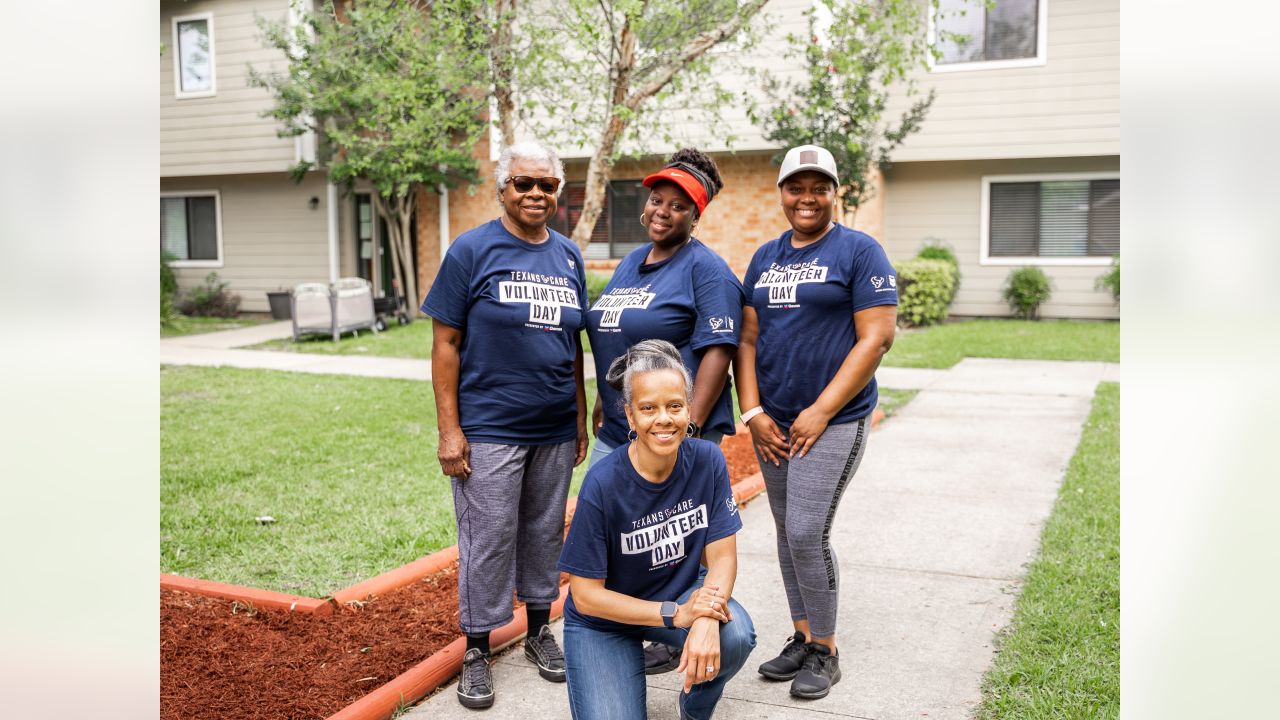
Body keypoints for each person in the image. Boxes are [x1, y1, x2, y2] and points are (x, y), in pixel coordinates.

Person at [421, 141, 590, 710]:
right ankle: (477, 647)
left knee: (545, 531)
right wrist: (450, 430)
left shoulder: (568, 256)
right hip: (489, 426)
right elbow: (445, 343)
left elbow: (573, 348)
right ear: (503, 188)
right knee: (488, 539)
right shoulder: (471, 250)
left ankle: (539, 630)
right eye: (524, 183)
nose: (536, 193)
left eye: (547, 185)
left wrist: (579, 413)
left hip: (553, 427)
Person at [735, 145, 898, 700]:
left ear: (835, 193)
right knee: (786, 533)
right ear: (781, 192)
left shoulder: (859, 251)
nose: (807, 198)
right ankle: (802, 636)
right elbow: (748, 338)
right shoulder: (765, 257)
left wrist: (822, 410)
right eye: (796, 187)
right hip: (775, 424)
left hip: (834, 421)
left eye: (818, 187)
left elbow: (876, 338)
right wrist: (753, 412)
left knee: (807, 531)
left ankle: (826, 648)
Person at [558, 340, 757, 720]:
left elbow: (722, 557)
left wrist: (706, 615)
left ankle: (695, 710)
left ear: (688, 409)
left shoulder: (707, 460)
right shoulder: (603, 483)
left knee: (735, 635)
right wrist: (676, 614)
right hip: (605, 622)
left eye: (674, 406)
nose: (663, 418)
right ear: (630, 418)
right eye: (648, 409)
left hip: (682, 591)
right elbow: (584, 595)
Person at [587, 147, 743, 466]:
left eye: (678, 206)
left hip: (671, 431)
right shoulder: (632, 261)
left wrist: (689, 427)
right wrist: (605, 397)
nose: (662, 211)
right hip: (622, 425)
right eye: (657, 200)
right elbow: (617, 332)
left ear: (695, 217)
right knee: (603, 510)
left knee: (662, 516)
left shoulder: (707, 269)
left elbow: (719, 350)